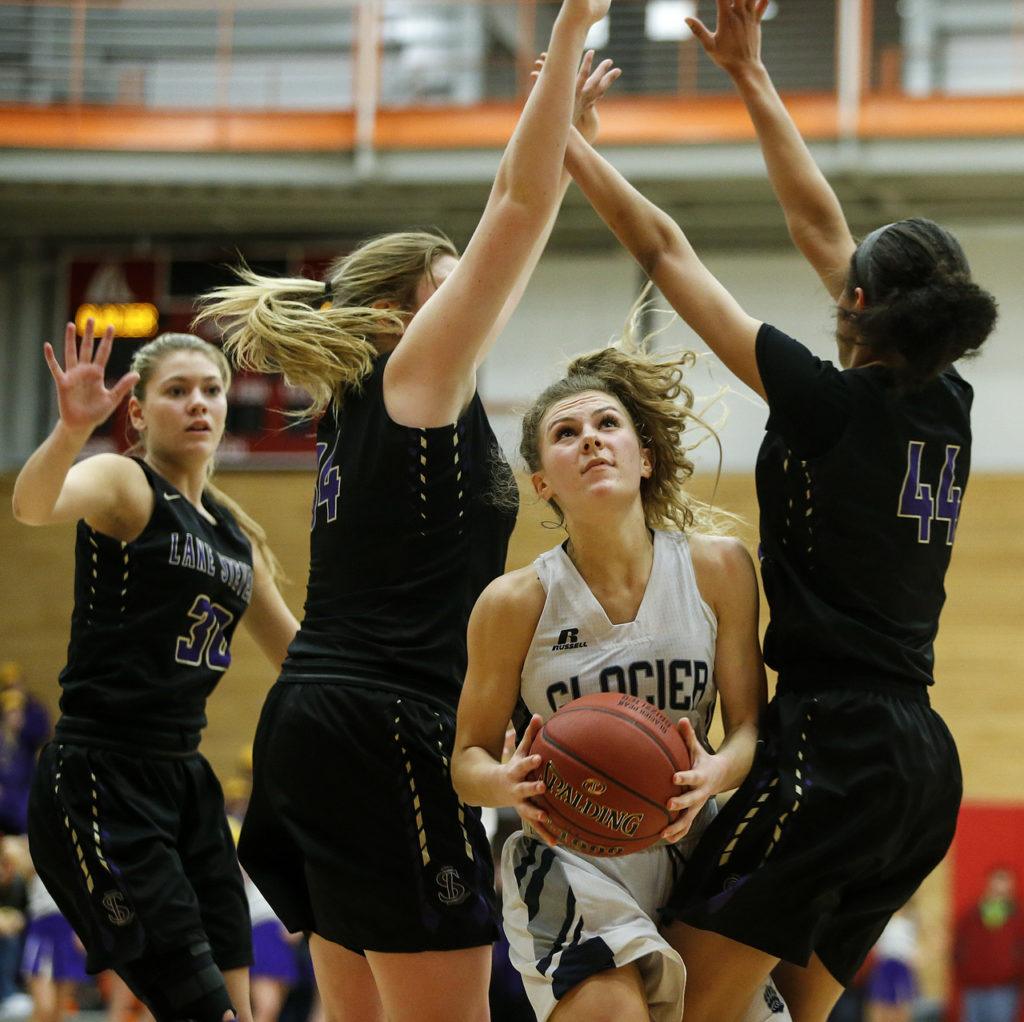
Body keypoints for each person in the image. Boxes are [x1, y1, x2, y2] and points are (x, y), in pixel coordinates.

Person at [555, 2, 999, 1019]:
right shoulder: (949, 402)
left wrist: (569, 146)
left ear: (857, 309)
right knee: (793, 1011)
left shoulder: (829, 403)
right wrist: (750, 75)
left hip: (831, 745)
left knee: (679, 1006)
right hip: (921, 763)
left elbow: (666, 252)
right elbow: (819, 225)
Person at [195, 5, 617, 1020]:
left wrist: (562, 143)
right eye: (447, 288)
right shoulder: (412, 373)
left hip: (326, 719)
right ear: (398, 310)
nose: (470, 301)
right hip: (383, 719)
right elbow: (512, 211)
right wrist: (567, 34)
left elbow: (522, 213)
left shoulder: (372, 403)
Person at [451, 333, 789, 1022]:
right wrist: (506, 782)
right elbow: (466, 760)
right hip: (571, 857)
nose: (591, 440)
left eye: (609, 425)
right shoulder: (515, 602)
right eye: (566, 433)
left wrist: (716, 774)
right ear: (541, 480)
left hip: (694, 841)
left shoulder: (718, 568)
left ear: (645, 457)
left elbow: (751, 726)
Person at [11, 324, 300, 1022]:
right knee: (199, 1008)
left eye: (212, 390)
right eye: (177, 391)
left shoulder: (234, 534)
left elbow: (301, 658)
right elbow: (32, 504)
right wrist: (73, 431)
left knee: (238, 1002)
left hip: (185, 781)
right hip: (101, 777)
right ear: (138, 413)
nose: (198, 403)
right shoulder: (126, 483)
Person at [953, 866, 1024, 1022]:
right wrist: (965, 969)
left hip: (1004, 989)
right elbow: (958, 947)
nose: (999, 888)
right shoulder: (971, 915)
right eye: (996, 881)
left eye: (1004, 882)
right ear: (987, 884)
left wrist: (1014, 969)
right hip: (973, 988)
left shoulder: (1018, 918)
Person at [21, 869, 88, 1022]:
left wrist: (86, 929)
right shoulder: (35, 851)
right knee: (44, 1008)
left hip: (70, 929)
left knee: (59, 1011)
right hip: (42, 928)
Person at [0, 662, 52, 836]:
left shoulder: (27, 740)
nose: (14, 717)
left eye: (17, 712)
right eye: (10, 712)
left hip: (22, 796)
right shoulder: (3, 740)